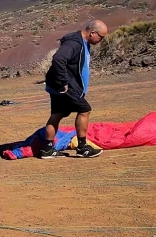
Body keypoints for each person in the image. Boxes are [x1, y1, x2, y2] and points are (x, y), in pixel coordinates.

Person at [40, 20, 108, 158]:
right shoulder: (74, 43)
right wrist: (63, 81)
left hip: (58, 85)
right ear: (92, 33)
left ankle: (47, 149)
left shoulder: (81, 43)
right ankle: (82, 147)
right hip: (66, 87)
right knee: (85, 109)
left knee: (57, 114)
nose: (101, 40)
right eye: (101, 37)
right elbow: (58, 58)